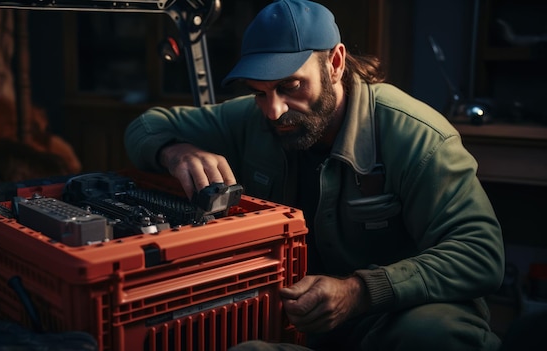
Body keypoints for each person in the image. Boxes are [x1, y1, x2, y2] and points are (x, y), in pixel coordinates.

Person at [124, 0, 505, 350]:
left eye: (290, 86)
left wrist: (359, 291)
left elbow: (480, 254)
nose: (273, 110)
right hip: (307, 326)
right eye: (259, 92)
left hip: (400, 316)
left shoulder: (417, 136)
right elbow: (145, 126)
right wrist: (175, 151)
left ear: (336, 63)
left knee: (429, 336)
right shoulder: (252, 119)